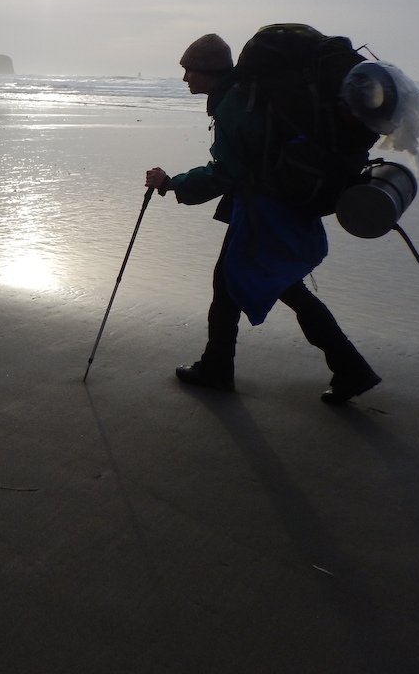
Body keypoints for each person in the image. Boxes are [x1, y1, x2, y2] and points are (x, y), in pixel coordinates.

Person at [144, 33, 381, 405]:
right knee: (235, 283)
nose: (185, 78)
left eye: (189, 70)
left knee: (282, 287)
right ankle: (219, 365)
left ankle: (349, 367)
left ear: (207, 72)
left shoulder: (234, 104)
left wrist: (173, 183)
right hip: (279, 202)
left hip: (269, 209)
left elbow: (228, 172)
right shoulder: (245, 95)